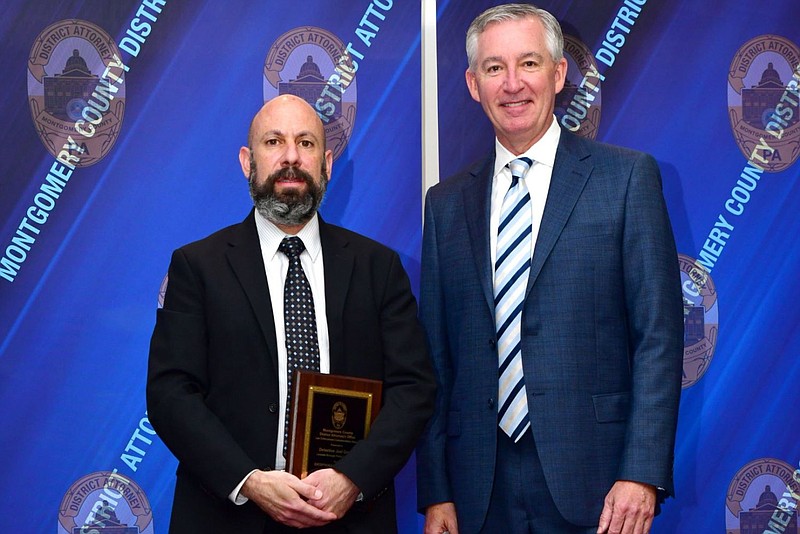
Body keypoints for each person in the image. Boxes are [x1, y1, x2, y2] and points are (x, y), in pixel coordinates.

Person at [415, 4, 684, 534]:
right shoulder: (444, 204)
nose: (513, 84)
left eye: (529, 63)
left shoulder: (626, 180)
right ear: (473, 84)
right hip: (477, 490)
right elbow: (435, 357)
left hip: (601, 485)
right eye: (494, 68)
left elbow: (658, 336)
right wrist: (437, 491)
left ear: (559, 74)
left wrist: (642, 473)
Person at [147, 94, 436, 533]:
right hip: (230, 516)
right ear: (247, 161)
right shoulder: (197, 267)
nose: (290, 158)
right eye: (273, 142)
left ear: (327, 164)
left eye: (306, 143)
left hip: (349, 516)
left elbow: (412, 388)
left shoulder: (378, 268)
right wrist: (250, 481)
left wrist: (351, 478)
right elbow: (171, 393)